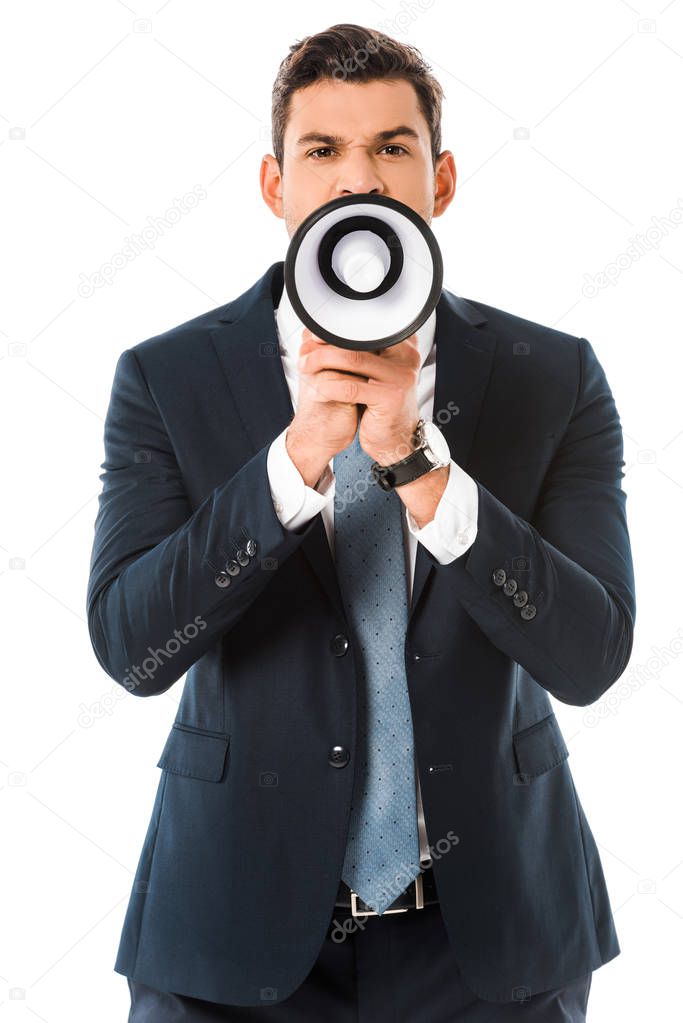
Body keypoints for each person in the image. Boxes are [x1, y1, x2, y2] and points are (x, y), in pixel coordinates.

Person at [86, 22, 636, 1022]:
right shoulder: (167, 378)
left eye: (392, 148)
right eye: (322, 151)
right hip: (229, 937)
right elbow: (132, 649)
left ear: (442, 179)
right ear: (273, 184)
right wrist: (292, 465)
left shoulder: (551, 376)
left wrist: (420, 469)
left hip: (491, 949)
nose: (359, 181)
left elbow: (589, 656)